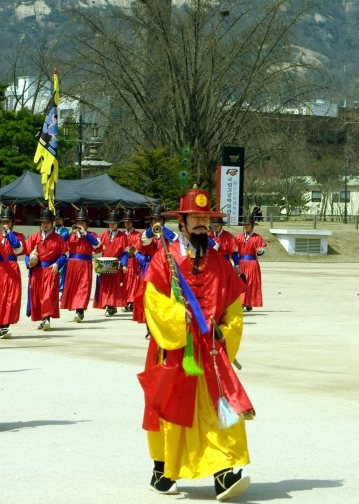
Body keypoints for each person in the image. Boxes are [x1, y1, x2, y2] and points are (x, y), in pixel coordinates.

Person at [138, 188, 252, 500]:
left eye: (206, 218)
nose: (202, 223)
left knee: (218, 408)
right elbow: (152, 301)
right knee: (170, 409)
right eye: (196, 217)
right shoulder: (165, 259)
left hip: (210, 354)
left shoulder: (220, 262)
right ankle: (162, 470)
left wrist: (224, 331)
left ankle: (224, 472)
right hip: (175, 349)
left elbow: (233, 306)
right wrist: (178, 317)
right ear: (182, 222)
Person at [0, 207, 25, 339]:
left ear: (12, 223)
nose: (5, 223)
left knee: (10, 298)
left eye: (7, 221)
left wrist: (8, 233)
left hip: (11, 269)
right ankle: (2, 326)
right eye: (3, 221)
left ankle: (5, 326)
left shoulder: (18, 236)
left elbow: (18, 248)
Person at [25, 208, 67, 331]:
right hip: (37, 271)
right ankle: (43, 319)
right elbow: (27, 254)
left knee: (48, 296)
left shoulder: (58, 238)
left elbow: (64, 255)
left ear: (52, 223)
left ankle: (46, 318)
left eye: (48, 222)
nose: (45, 224)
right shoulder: (34, 238)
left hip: (50, 271)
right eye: (43, 222)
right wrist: (29, 264)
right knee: (38, 296)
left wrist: (57, 264)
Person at [136, 206, 176, 329]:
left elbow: (177, 242)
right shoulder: (146, 234)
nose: (157, 222)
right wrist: (153, 230)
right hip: (150, 269)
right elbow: (144, 240)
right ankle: (149, 326)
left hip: (164, 269)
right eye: (155, 220)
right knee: (150, 297)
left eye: (159, 220)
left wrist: (164, 231)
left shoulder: (169, 233)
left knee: (163, 296)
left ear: (163, 221)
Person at [64, 208, 100, 323]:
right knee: (74, 288)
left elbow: (97, 244)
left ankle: (79, 310)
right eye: (78, 222)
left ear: (87, 225)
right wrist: (69, 232)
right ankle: (75, 308)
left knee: (83, 287)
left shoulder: (91, 235)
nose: (80, 225)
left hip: (85, 264)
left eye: (82, 223)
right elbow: (59, 242)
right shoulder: (71, 235)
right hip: (72, 264)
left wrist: (85, 234)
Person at [95, 210, 127, 316]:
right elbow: (97, 248)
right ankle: (109, 305)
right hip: (104, 264)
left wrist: (124, 264)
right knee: (105, 285)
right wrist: (93, 253)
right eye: (110, 223)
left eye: (114, 223)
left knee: (114, 286)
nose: (112, 224)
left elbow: (125, 252)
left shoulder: (123, 236)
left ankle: (111, 306)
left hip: (115, 264)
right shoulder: (103, 235)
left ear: (118, 224)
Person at [235, 218, 266, 312]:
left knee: (251, 283)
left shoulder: (257, 237)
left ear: (252, 225)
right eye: (245, 224)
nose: (246, 226)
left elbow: (262, 251)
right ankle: (241, 302)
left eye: (248, 224)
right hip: (241, 262)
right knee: (241, 282)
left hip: (252, 263)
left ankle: (249, 303)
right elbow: (234, 249)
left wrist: (260, 251)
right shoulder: (239, 237)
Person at [210, 217, 243, 281]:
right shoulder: (209, 236)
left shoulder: (229, 236)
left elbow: (234, 252)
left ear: (221, 225)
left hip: (224, 264)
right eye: (214, 225)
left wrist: (236, 265)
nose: (215, 227)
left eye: (217, 225)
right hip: (212, 265)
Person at [122, 209, 141, 313]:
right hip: (123, 260)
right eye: (126, 222)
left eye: (129, 222)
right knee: (124, 281)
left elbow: (138, 246)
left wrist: (131, 252)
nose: (127, 224)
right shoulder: (121, 234)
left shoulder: (137, 234)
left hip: (133, 261)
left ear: (132, 222)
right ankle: (124, 300)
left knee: (133, 281)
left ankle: (131, 301)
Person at [54, 213, 70, 298]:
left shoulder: (67, 231)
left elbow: (62, 240)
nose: (58, 221)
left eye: (59, 219)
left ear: (63, 220)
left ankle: (63, 295)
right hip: (53, 255)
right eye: (56, 219)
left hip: (63, 255)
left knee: (63, 275)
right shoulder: (51, 230)